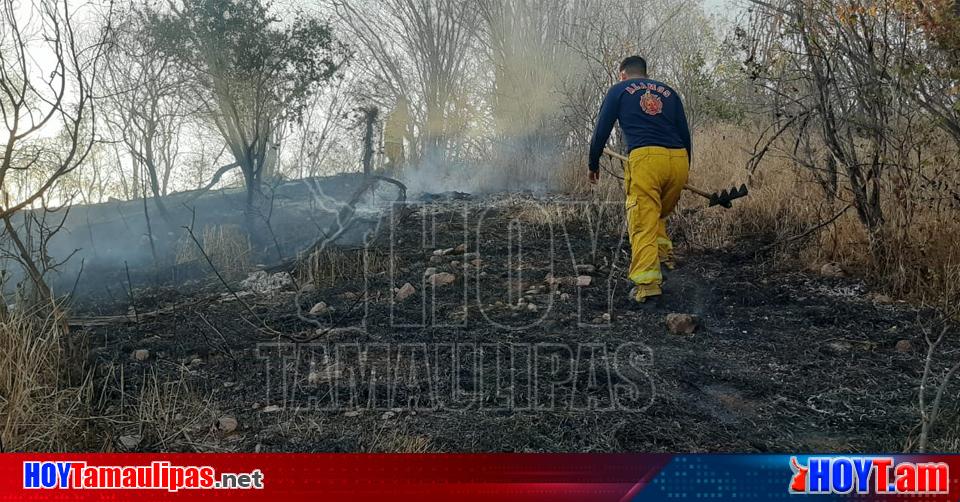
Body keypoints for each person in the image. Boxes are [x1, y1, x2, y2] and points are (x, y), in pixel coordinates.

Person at [588, 55, 691, 304]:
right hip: (679, 159)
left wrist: (593, 163)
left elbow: (602, 128)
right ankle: (664, 258)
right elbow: (685, 134)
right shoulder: (669, 92)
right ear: (646, 73)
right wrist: (685, 167)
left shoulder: (619, 90)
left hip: (646, 159)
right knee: (657, 214)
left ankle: (647, 285)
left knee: (643, 219)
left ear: (623, 74)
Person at [383, 96, 410, 175]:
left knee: (391, 163)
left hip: (388, 142)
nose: (405, 105)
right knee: (399, 163)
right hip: (396, 142)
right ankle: (396, 181)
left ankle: (386, 179)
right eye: (404, 103)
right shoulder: (400, 113)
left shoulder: (391, 114)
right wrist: (408, 136)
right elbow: (400, 126)